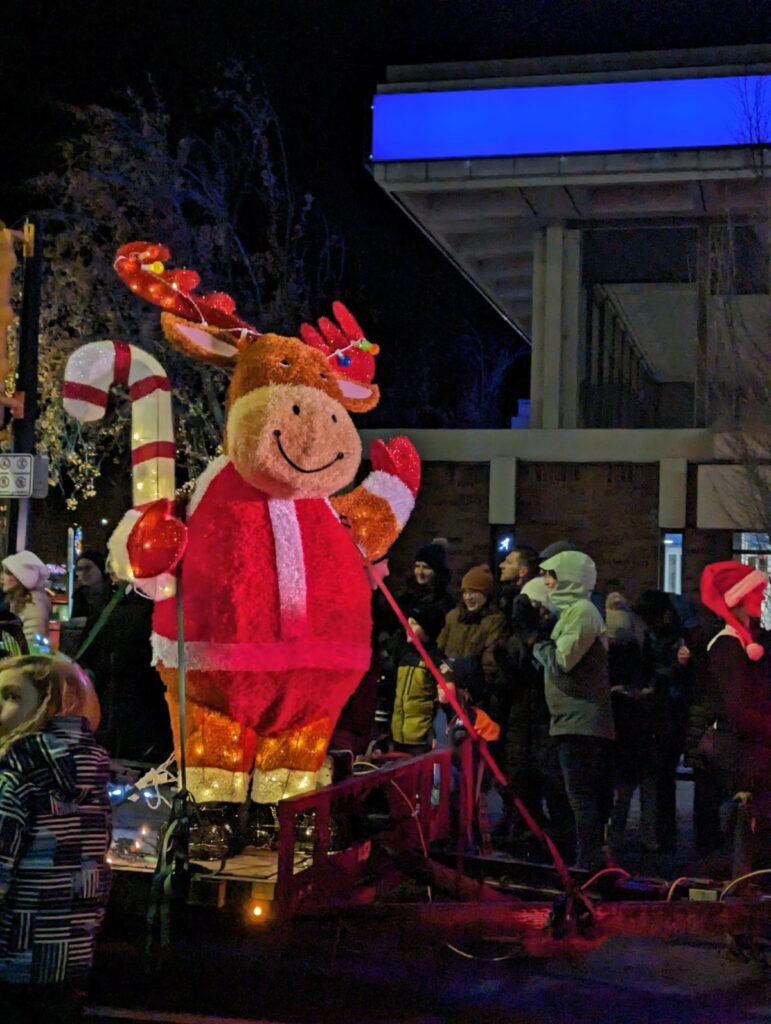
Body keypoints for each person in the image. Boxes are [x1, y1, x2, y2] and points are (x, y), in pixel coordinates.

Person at [0, 654, 111, 1023]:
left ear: (53, 704)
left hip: (12, 960)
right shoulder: (91, 778)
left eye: (12, 696)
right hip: (71, 958)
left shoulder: (16, 777)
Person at [533, 550, 614, 870]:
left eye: (551, 574)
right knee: (578, 796)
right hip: (571, 718)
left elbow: (562, 661)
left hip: (582, 720)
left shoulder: (582, 611)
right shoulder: (571, 613)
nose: (546, 581)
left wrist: (536, 641)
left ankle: (588, 866)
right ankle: (585, 862)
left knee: (581, 797)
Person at [698, 562, 771, 875]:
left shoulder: (742, 644)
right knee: (745, 820)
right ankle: (739, 889)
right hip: (739, 748)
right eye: (757, 592)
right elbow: (737, 706)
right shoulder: (729, 646)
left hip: (744, 745)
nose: (762, 598)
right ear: (739, 599)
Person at [492, 581, 573, 856]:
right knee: (520, 786)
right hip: (519, 724)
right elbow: (507, 683)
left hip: (544, 723)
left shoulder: (554, 635)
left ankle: (560, 844)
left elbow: (547, 672)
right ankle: (525, 836)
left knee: (553, 786)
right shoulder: (515, 638)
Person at [634, 589, 693, 853]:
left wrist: (656, 683)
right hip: (663, 709)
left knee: (663, 774)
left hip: (671, 709)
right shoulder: (660, 634)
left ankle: (663, 834)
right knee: (661, 776)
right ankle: (661, 832)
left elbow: (679, 675)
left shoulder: (678, 637)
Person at [604, 592, 658, 854]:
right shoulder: (641, 638)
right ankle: (647, 836)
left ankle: (616, 837)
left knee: (624, 786)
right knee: (642, 785)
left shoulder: (611, 644)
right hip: (639, 718)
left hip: (624, 717)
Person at [390, 603, 446, 755]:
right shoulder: (404, 656)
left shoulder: (435, 660)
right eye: (408, 622)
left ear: (427, 630)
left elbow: (441, 704)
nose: (408, 627)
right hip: (398, 737)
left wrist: (436, 734)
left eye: (414, 624)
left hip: (421, 741)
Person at [0, 551, 51, 647]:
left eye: (8, 573)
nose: (2, 577)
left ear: (21, 577)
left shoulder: (34, 605)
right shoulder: (18, 601)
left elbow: (32, 647)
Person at [71, 550, 113, 620]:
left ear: (100, 568)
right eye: (80, 569)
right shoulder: (79, 596)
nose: (83, 573)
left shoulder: (115, 594)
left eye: (88, 568)